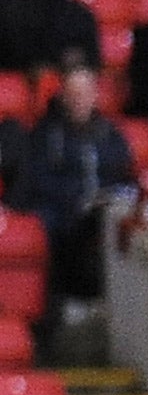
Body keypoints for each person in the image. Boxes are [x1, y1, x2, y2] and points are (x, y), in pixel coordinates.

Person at [8, 60, 132, 306]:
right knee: (51, 225)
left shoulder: (111, 134)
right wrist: (77, 198)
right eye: (73, 94)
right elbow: (37, 180)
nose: (79, 100)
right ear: (63, 95)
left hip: (104, 211)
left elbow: (125, 173)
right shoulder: (47, 134)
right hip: (63, 212)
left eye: (85, 93)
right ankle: (62, 304)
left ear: (95, 95)